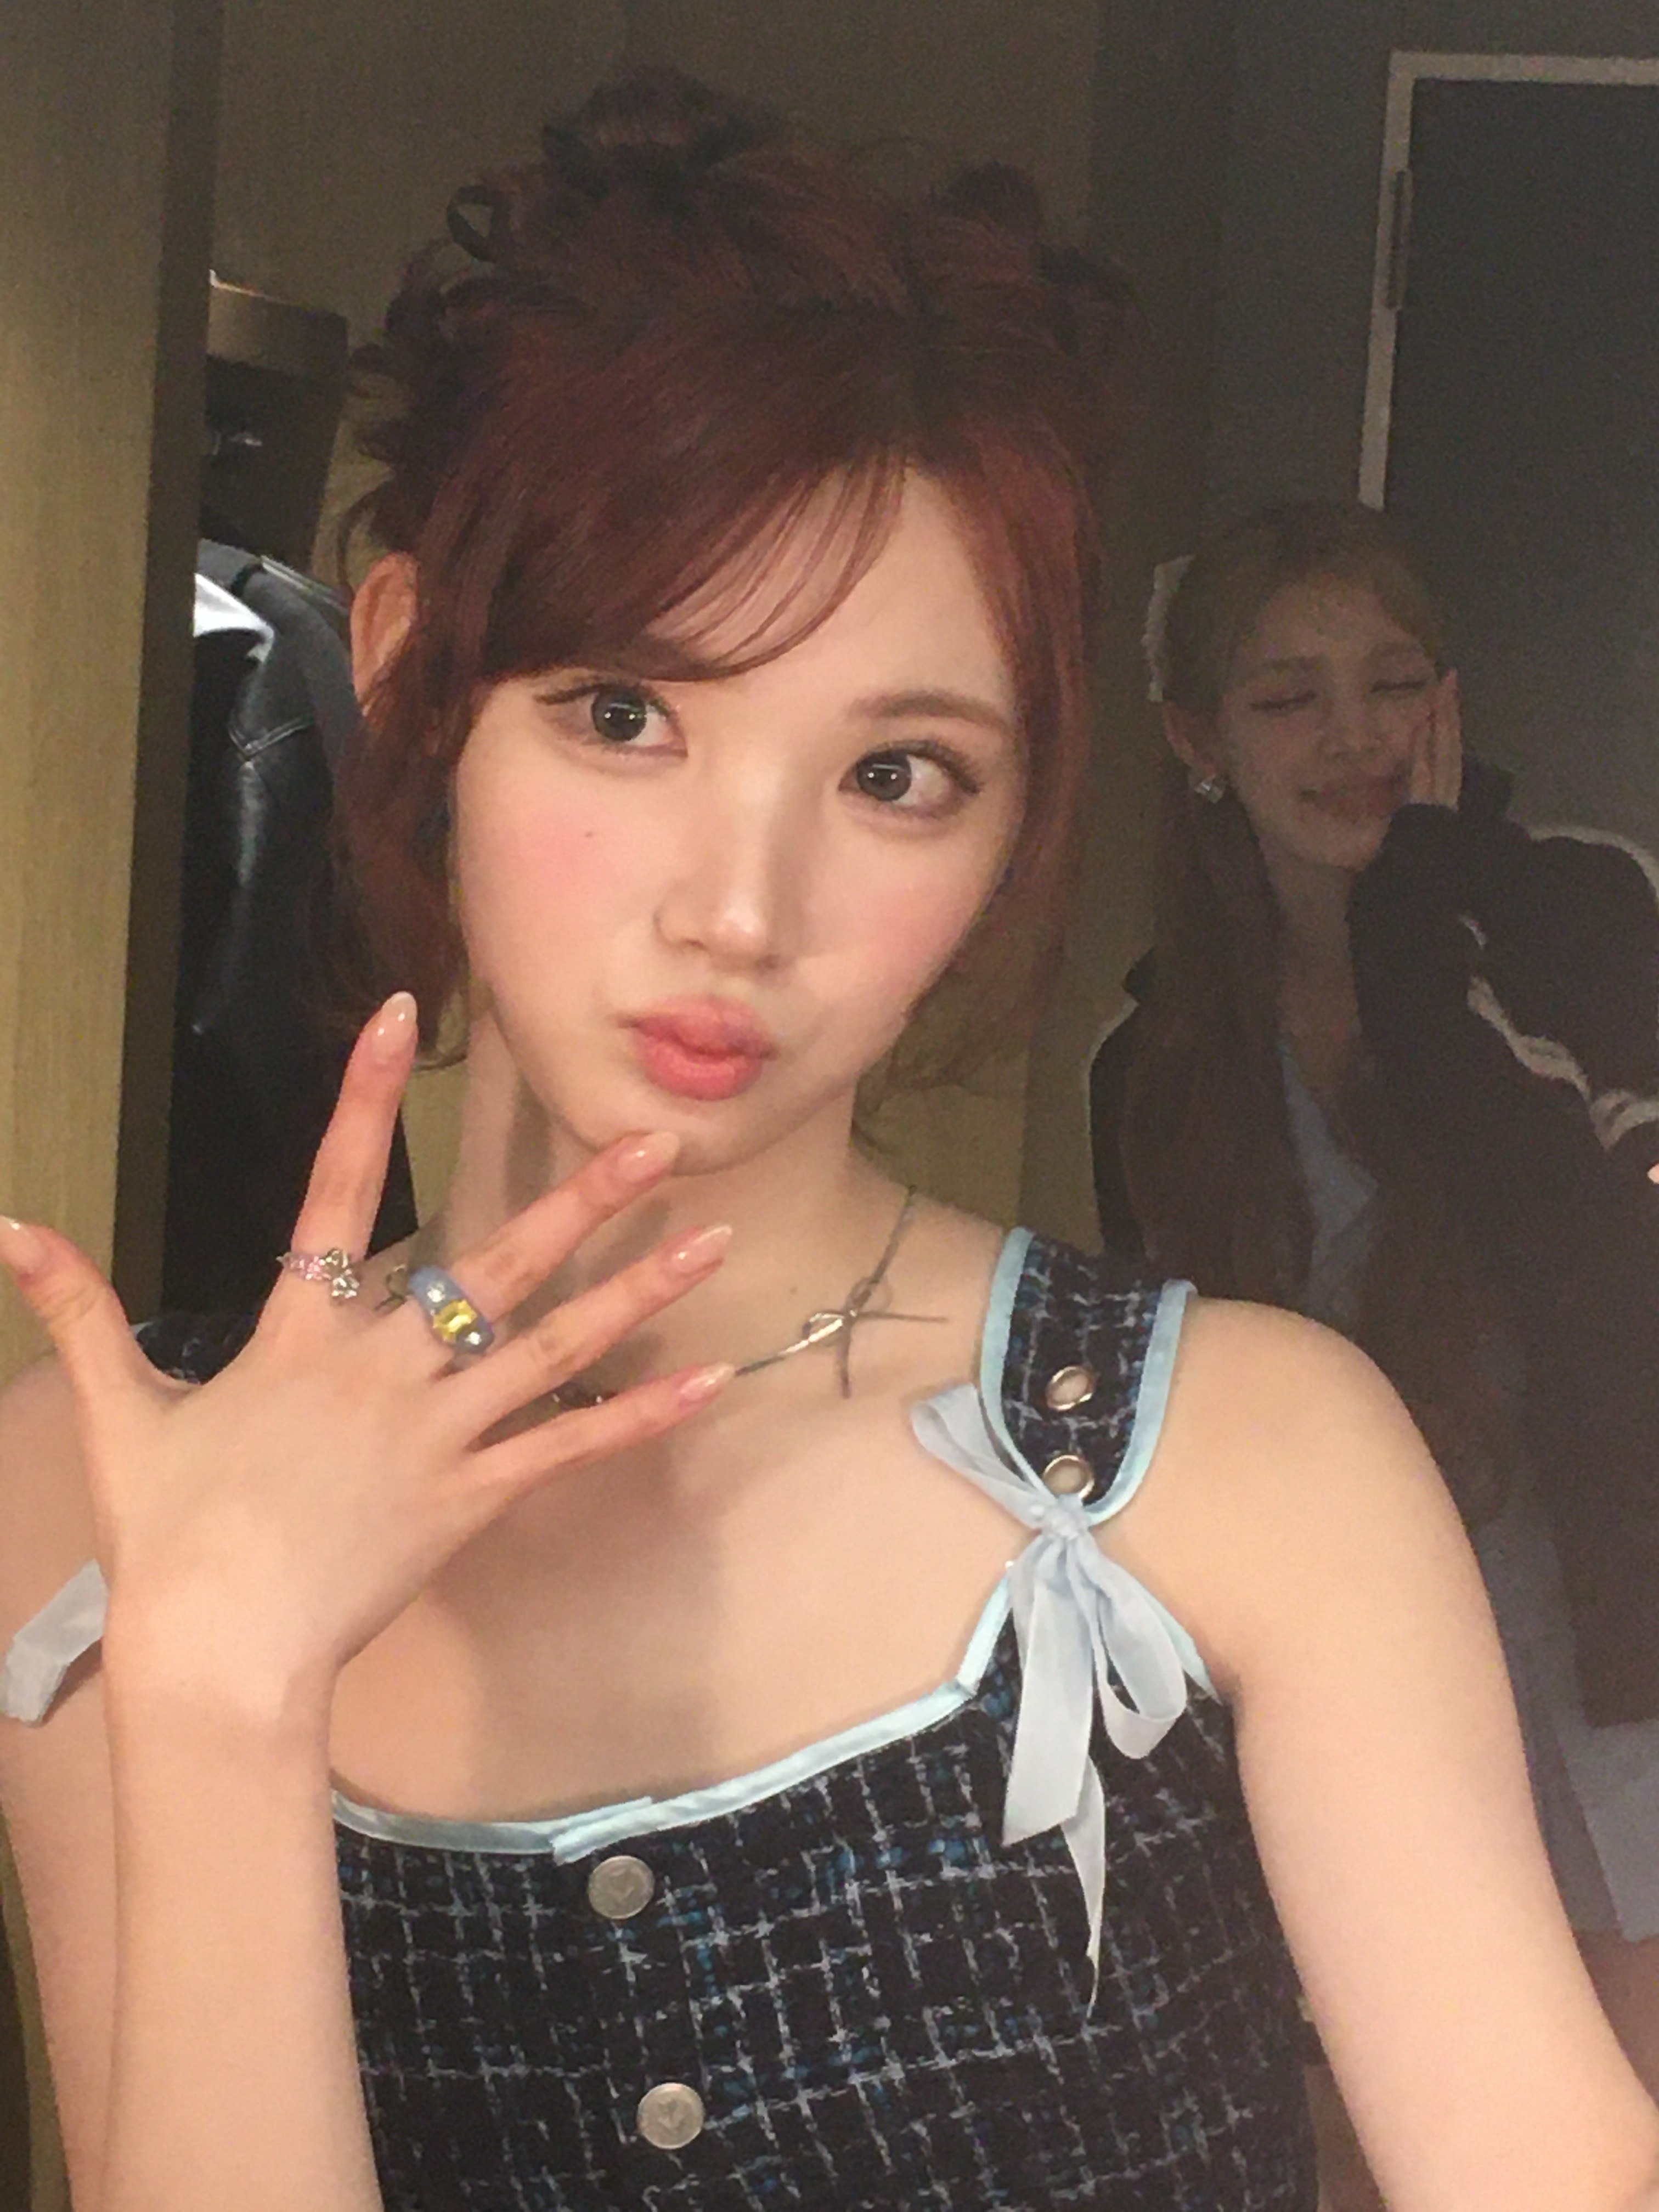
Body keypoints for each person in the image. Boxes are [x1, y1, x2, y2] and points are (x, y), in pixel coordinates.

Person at [0, 76, 1655, 2212]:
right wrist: (223, 1697)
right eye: (625, 716)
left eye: (895, 774)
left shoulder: (1253, 1464)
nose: (740, 906)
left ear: (1013, 818)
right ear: (411, 679)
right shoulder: (90, 1491)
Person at [1091, 500, 1659, 2119]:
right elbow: (1176, 1430)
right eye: (1289, 699)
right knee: (1429, 2123)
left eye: (1394, 685)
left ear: (1449, 702)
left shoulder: (1582, 912)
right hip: (1368, 1669)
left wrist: (1421, 915)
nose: (1356, 738)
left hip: (1615, 1604)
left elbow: (1599, 1247)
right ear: (1199, 741)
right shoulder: (1155, 1063)